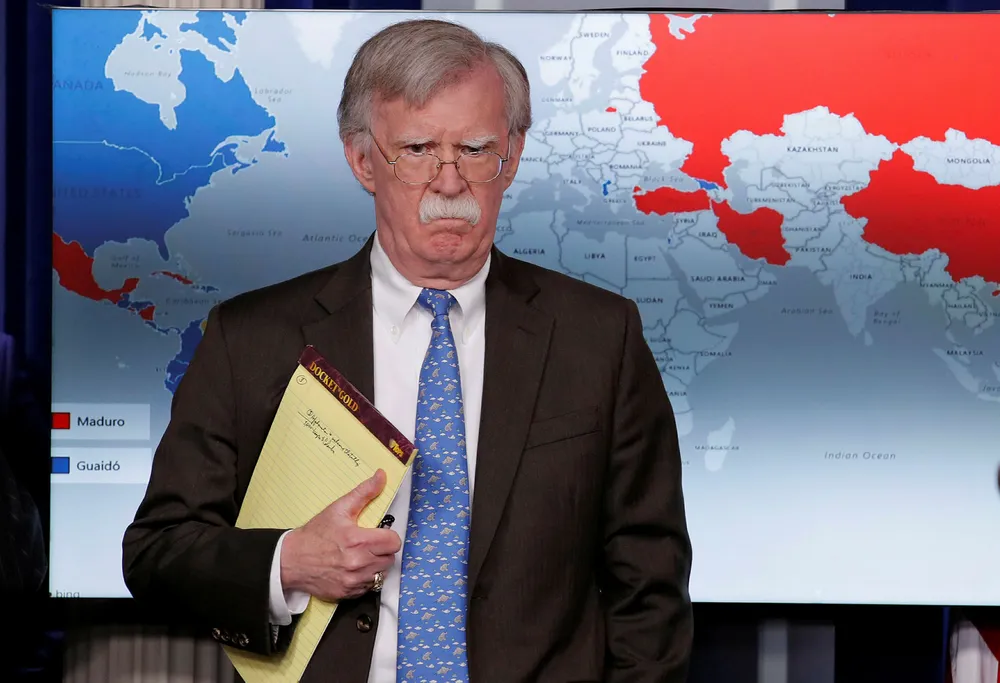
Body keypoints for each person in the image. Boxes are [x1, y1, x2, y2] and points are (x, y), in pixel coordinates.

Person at [122, 18, 693, 683]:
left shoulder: (600, 337)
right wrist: (288, 564)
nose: (449, 182)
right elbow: (157, 553)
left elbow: (649, 587)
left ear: (511, 156)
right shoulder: (248, 339)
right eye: (418, 149)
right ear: (363, 161)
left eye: (475, 149)